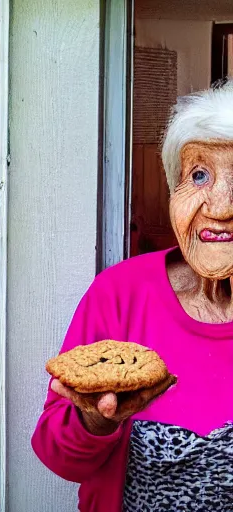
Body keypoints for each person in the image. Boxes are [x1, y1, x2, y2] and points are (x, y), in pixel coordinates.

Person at [31, 80, 233, 512]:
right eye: (199, 175)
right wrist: (94, 419)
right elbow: (57, 455)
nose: (220, 206)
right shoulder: (120, 293)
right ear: (172, 188)